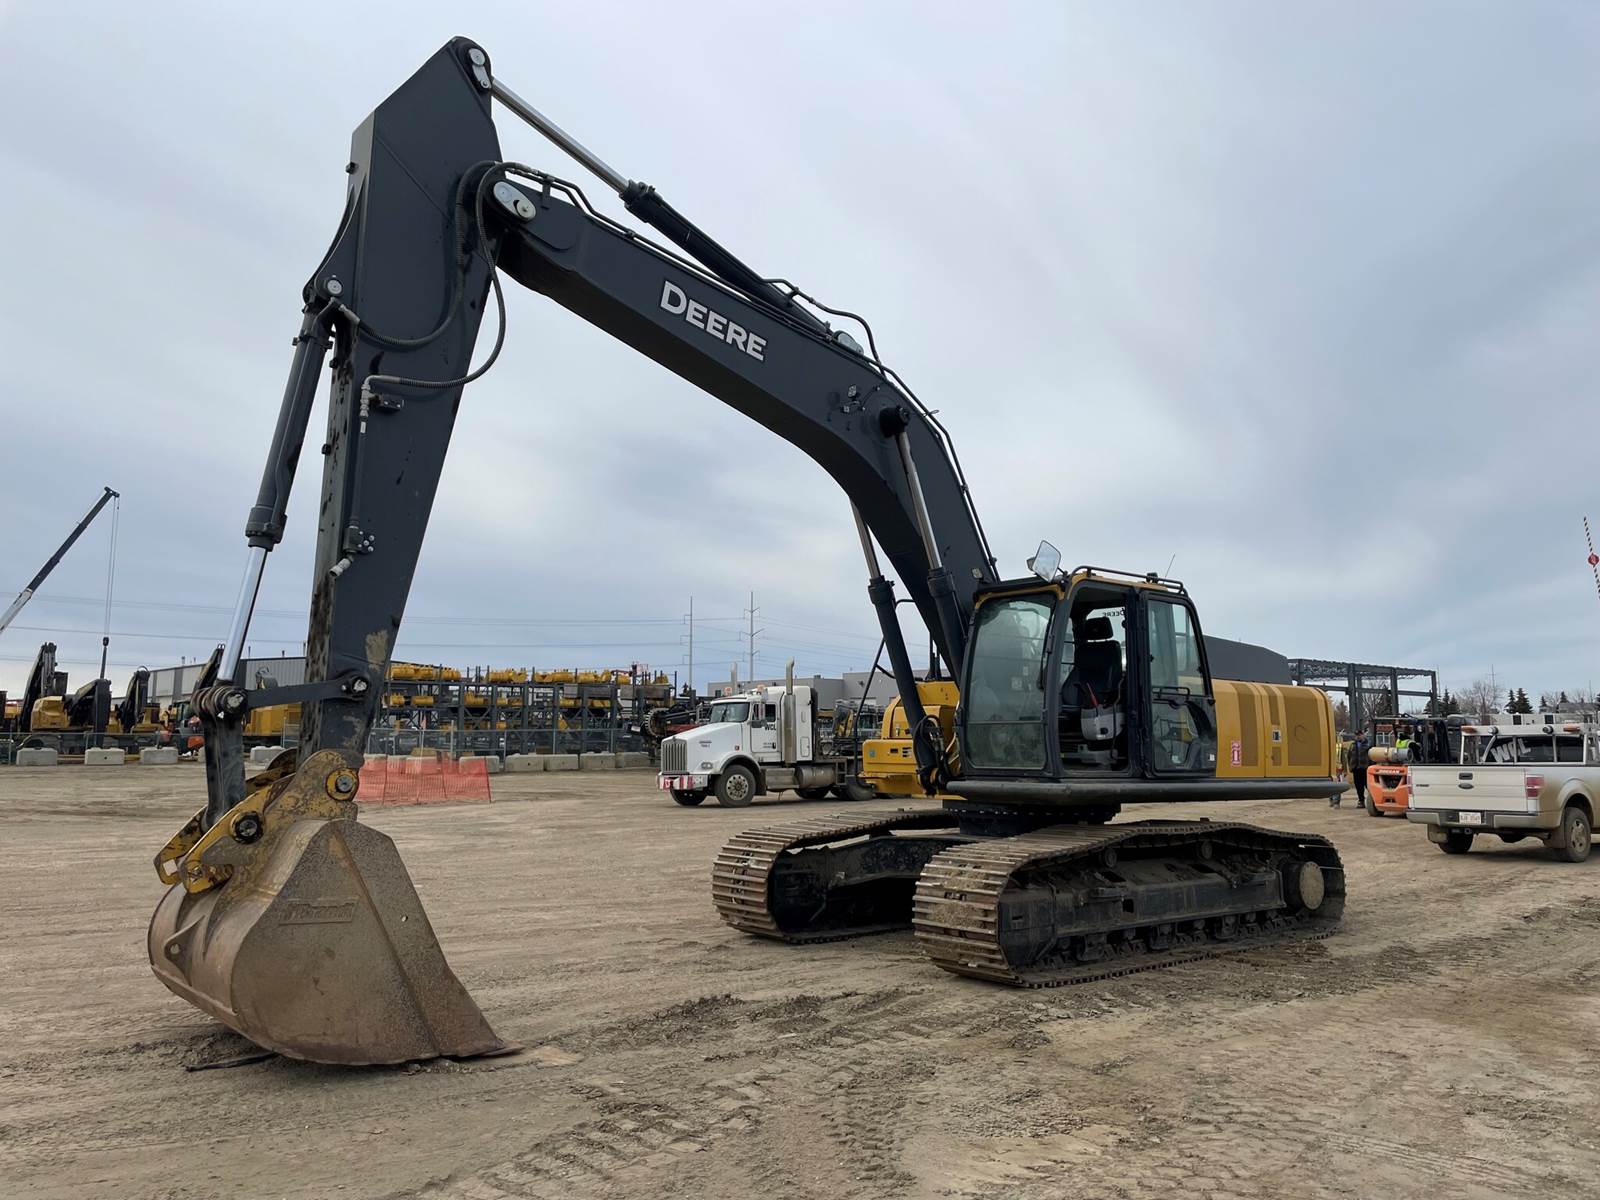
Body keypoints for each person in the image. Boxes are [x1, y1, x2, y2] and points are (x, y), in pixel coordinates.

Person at [1349, 733, 1370, 810]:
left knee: (1368, 786)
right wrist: (1351, 766)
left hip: (1365, 769)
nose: (1358, 736)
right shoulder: (1352, 745)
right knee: (1358, 786)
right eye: (1356, 735)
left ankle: (1373, 801)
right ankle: (1361, 800)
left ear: (1363, 735)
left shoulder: (1368, 745)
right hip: (1356, 769)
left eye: (1360, 735)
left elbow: (1372, 756)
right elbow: (1349, 756)